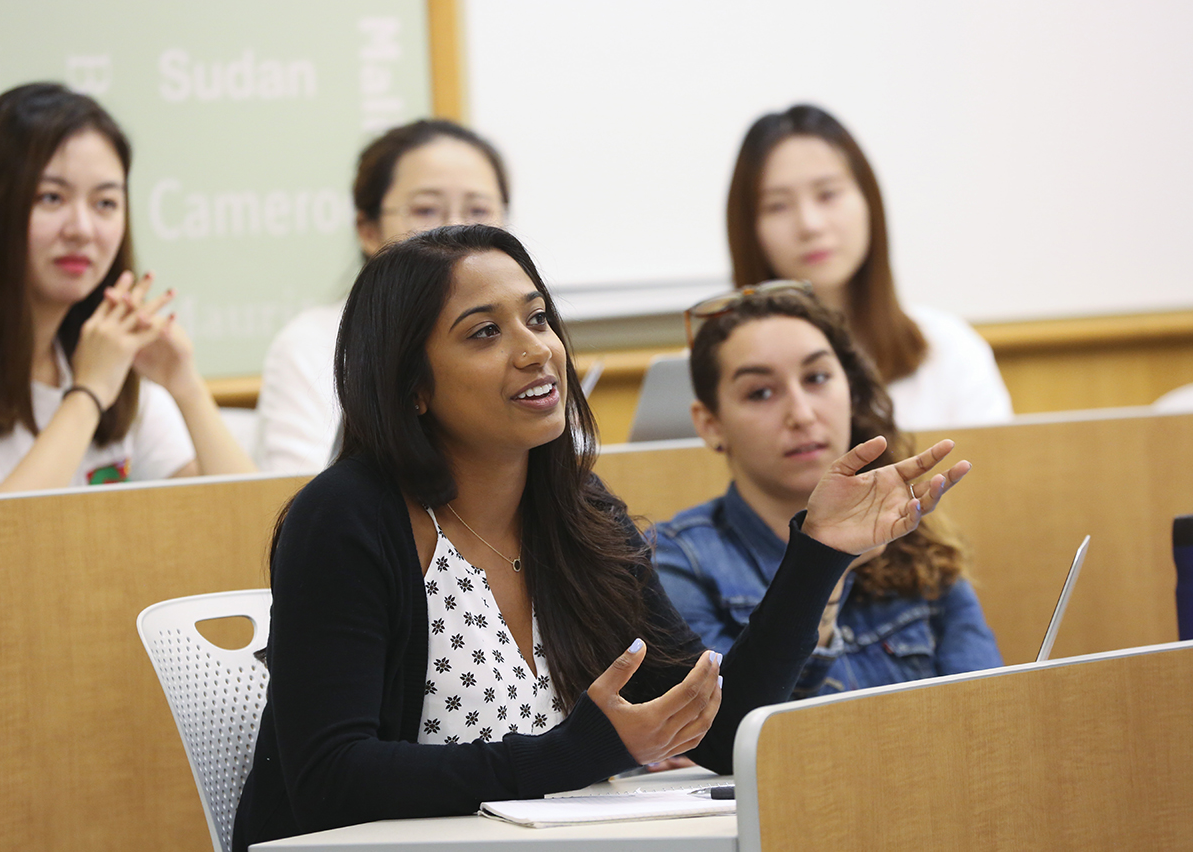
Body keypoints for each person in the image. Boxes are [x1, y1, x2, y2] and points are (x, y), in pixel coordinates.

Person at [232, 224, 972, 847]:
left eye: (539, 318)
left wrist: (817, 554)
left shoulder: (578, 512)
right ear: (411, 385)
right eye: (485, 332)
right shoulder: (346, 520)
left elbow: (712, 729)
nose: (535, 350)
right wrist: (570, 753)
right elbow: (331, 782)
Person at [655, 285, 1001, 698]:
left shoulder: (915, 536)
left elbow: (986, 712)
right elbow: (736, 736)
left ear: (850, 391)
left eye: (817, 378)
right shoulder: (675, 562)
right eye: (760, 392)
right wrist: (820, 570)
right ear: (711, 423)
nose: (801, 414)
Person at [0, 83, 255, 496]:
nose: (82, 230)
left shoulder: (108, 357)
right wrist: (87, 395)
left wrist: (187, 389)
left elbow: (250, 526)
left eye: (105, 203)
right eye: (51, 198)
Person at [726, 103, 1013, 431]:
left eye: (828, 194)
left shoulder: (949, 350)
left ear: (868, 202)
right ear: (748, 228)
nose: (810, 224)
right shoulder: (716, 370)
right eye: (777, 205)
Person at [256, 119, 509, 473]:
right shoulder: (309, 346)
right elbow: (298, 499)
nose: (456, 231)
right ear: (369, 230)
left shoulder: (529, 340)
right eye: (425, 210)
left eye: (479, 211)